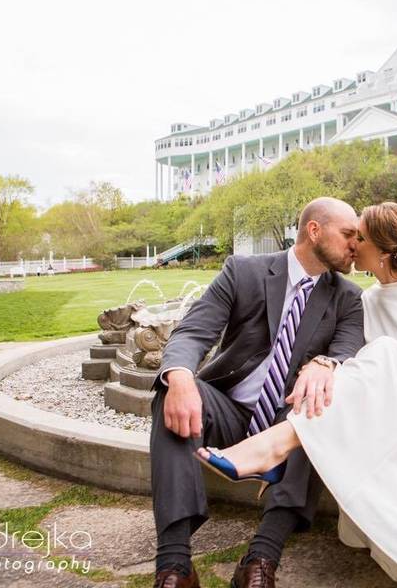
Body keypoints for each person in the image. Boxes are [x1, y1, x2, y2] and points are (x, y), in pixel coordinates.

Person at [197, 202, 397, 588]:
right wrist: (322, 367)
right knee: (336, 373)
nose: (350, 244)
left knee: (384, 353)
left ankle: (276, 444)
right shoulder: (362, 301)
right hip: (386, 429)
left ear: (380, 250)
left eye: (357, 236)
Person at [150, 197, 365, 588]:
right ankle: (175, 565)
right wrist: (179, 375)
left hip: (288, 420)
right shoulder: (243, 271)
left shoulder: (348, 297)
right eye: (349, 234)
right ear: (314, 230)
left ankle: (261, 560)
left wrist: (327, 364)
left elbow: (348, 347)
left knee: (319, 408)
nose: (356, 244)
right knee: (171, 391)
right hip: (229, 408)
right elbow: (195, 330)